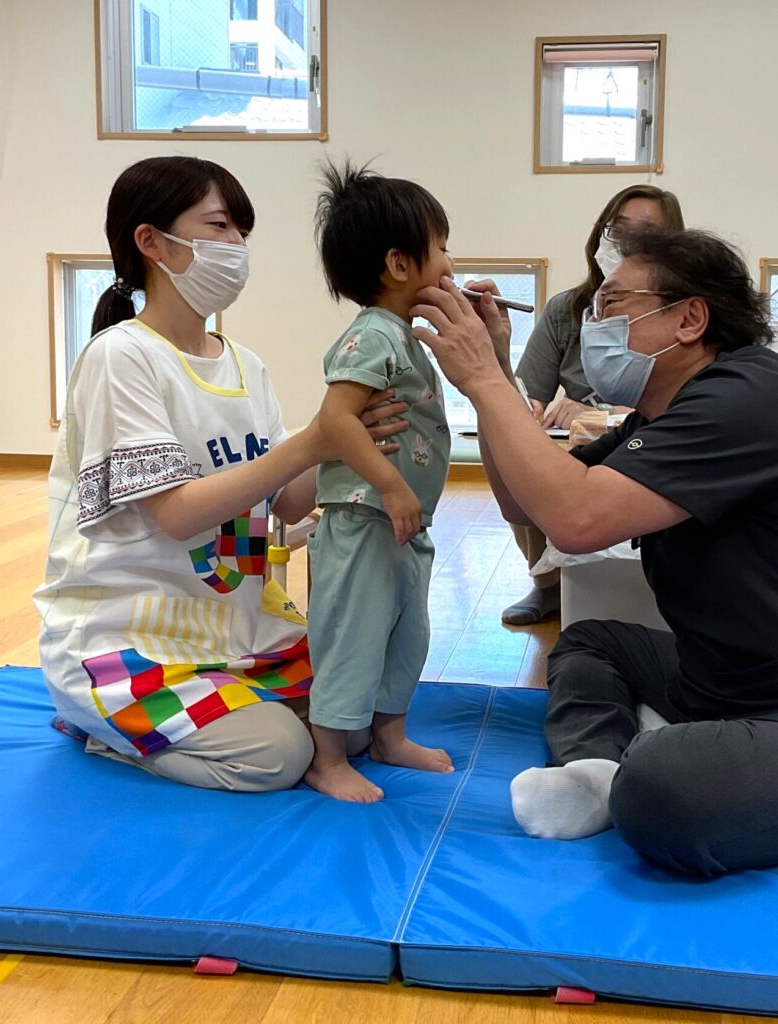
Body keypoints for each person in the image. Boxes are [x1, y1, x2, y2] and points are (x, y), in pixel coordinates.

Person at [411, 228, 778, 877]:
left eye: (611, 305)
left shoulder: (749, 397)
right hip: (739, 681)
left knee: (661, 788)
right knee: (591, 644)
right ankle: (595, 771)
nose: (593, 325)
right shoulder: (662, 419)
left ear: (689, 317)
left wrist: (481, 377)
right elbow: (528, 504)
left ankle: (645, 762)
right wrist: (500, 379)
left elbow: (576, 519)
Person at [35, 156, 406, 793]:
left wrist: (349, 442)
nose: (236, 246)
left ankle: (171, 721)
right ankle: (104, 728)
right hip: (134, 641)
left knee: (356, 720)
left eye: (242, 232)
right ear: (150, 241)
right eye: (219, 226)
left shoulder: (245, 364)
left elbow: (289, 503)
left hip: (237, 630)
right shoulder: (121, 357)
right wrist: (309, 442)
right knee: (279, 755)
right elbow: (176, 514)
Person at [304, 161, 454, 803]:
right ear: (398, 265)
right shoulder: (372, 334)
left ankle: (389, 735)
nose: (449, 260)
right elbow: (337, 419)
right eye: (441, 247)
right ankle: (327, 758)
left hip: (402, 520)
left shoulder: (406, 337)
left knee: (406, 633)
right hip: (363, 517)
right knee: (352, 636)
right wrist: (392, 487)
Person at [502, 185, 684, 626]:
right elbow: (527, 399)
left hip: (649, 443)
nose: (626, 243)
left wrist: (603, 417)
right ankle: (548, 583)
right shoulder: (567, 309)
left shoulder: (678, 313)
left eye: (647, 233)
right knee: (526, 463)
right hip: (582, 443)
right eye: (617, 230)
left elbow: (680, 409)